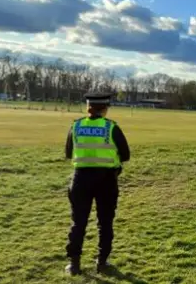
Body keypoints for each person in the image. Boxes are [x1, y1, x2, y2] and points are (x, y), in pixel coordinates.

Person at [64, 92, 131, 276]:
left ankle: (74, 264)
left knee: (78, 223)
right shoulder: (111, 127)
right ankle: (102, 262)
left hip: (81, 179)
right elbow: (125, 155)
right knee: (105, 223)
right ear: (105, 108)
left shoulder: (76, 126)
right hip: (106, 180)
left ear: (88, 107)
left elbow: (69, 153)